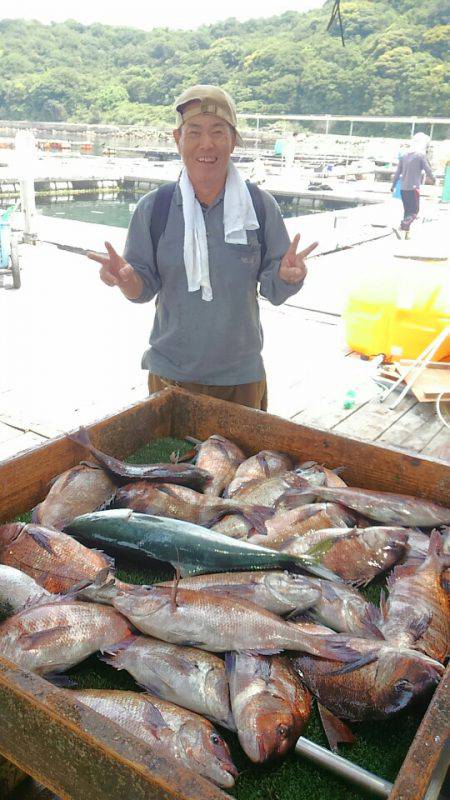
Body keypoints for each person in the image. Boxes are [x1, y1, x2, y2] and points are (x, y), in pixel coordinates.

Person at [88, 85, 317, 410]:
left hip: (241, 378)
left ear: (233, 139)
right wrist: (127, 279)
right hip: (170, 374)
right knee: (169, 462)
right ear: (177, 138)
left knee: (241, 462)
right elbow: (143, 289)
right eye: (194, 132)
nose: (206, 144)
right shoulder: (155, 209)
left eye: (218, 132)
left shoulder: (259, 208)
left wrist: (289, 277)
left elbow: (274, 291)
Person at [391, 133, 435, 232]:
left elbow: (397, 173)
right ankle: (404, 224)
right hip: (414, 188)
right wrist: (434, 179)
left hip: (403, 188)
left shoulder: (404, 156)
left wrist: (393, 186)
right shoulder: (420, 156)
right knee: (414, 211)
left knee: (407, 211)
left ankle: (405, 231)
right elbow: (428, 170)